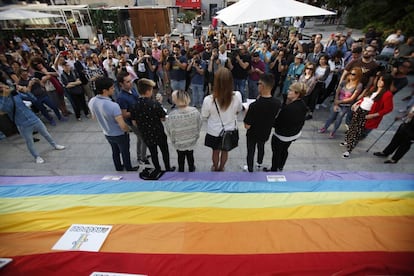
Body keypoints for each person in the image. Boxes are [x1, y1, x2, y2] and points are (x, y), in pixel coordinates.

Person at [0, 81, 65, 164]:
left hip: (33, 118)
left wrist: (26, 91)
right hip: (22, 124)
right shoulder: (2, 101)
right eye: (2, 87)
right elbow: (5, 109)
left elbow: (33, 99)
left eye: (4, 86)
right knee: (29, 141)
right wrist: (5, 96)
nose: (5, 88)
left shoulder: (16, 95)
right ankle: (36, 156)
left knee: (45, 133)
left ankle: (55, 145)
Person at [88, 77, 138, 171]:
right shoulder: (113, 105)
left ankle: (118, 167)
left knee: (115, 151)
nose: (114, 89)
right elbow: (122, 125)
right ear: (104, 90)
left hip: (107, 132)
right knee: (124, 151)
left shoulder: (92, 101)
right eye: (111, 88)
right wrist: (127, 130)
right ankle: (128, 167)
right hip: (119, 133)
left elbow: (94, 117)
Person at [341, 73, 394, 158]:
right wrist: (357, 103)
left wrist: (373, 115)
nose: (379, 82)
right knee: (352, 127)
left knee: (357, 132)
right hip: (359, 110)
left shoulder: (387, 94)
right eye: (379, 79)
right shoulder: (374, 88)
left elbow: (388, 109)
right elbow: (365, 98)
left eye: (382, 81)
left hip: (368, 114)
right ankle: (347, 140)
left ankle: (348, 150)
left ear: (386, 83)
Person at [201, 67, 242, 172]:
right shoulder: (237, 96)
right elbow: (238, 110)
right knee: (225, 151)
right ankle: (221, 167)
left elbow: (204, 116)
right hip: (230, 129)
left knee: (215, 151)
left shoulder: (208, 99)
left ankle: (215, 167)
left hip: (214, 131)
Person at [131, 78, 175, 172]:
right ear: (148, 91)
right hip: (158, 132)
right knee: (164, 151)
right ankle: (167, 168)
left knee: (153, 152)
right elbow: (163, 118)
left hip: (146, 133)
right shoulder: (154, 104)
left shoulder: (134, 105)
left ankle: (157, 168)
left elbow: (134, 122)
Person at [265, 82, 308, 171]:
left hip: (282, 135)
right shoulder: (303, 104)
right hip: (294, 134)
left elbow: (277, 123)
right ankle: (281, 166)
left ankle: (274, 169)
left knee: (276, 153)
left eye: (290, 90)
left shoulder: (289, 109)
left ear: (297, 93)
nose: (288, 92)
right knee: (285, 150)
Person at [243, 74, 281, 172]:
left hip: (253, 133)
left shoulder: (254, 106)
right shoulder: (277, 103)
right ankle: (259, 163)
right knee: (261, 147)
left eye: (258, 83)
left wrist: (247, 111)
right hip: (265, 132)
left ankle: (250, 169)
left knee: (250, 150)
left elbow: (247, 125)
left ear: (262, 86)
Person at [116, 71, 149, 166]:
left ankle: (142, 155)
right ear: (121, 84)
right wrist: (139, 110)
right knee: (143, 139)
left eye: (131, 80)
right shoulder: (121, 98)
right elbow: (124, 114)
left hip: (140, 119)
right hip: (133, 122)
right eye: (127, 82)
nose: (130, 83)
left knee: (141, 138)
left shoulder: (133, 89)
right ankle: (141, 157)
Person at [319, 67, 363, 138]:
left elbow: (352, 98)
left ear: (358, 75)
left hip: (346, 105)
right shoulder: (344, 82)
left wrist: (339, 101)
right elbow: (337, 91)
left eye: (353, 74)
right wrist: (336, 101)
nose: (351, 75)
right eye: (350, 73)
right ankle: (325, 127)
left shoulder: (359, 85)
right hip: (337, 102)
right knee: (331, 116)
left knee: (339, 118)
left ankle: (333, 131)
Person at [165, 90, 202, 172]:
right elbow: (199, 124)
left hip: (179, 142)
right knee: (190, 155)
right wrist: (195, 135)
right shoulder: (195, 111)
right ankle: (191, 168)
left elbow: (169, 129)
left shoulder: (172, 115)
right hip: (191, 140)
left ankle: (181, 170)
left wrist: (173, 140)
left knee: (180, 157)